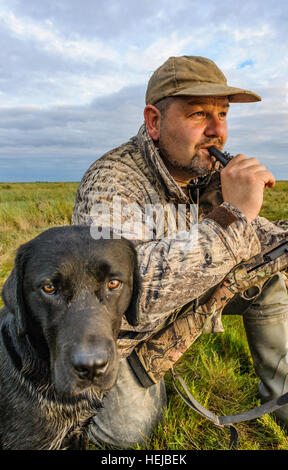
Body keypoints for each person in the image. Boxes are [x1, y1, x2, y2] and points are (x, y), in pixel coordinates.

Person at [72, 56, 288, 448]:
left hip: (182, 301)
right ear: (154, 122)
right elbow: (124, 296)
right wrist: (234, 216)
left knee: (267, 280)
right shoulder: (111, 181)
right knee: (127, 433)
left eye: (222, 114)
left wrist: (260, 225)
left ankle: (281, 398)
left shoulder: (205, 174)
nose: (216, 131)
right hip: (119, 336)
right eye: (198, 115)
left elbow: (258, 240)